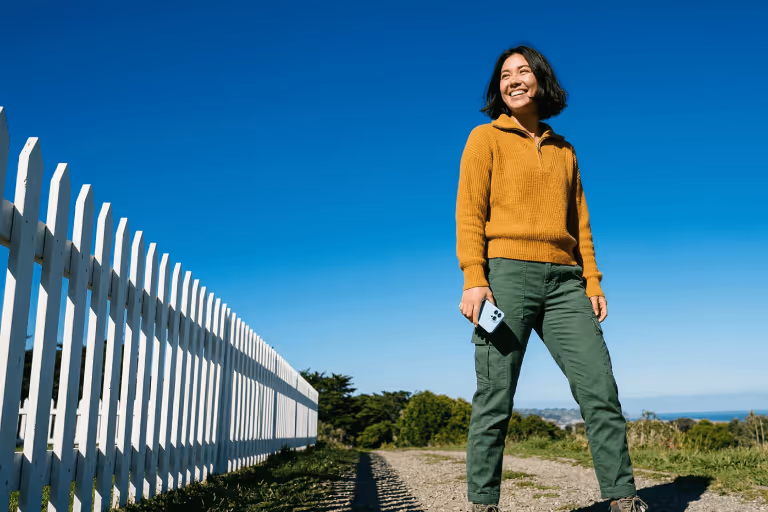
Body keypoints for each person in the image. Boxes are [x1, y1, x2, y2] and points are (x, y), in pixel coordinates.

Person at [455, 46, 649, 512]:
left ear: (541, 81)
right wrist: (474, 278)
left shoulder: (565, 150)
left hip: (566, 284)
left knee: (599, 389)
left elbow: (580, 223)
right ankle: (483, 503)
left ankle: (622, 497)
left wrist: (594, 281)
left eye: (523, 71)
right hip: (504, 279)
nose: (513, 80)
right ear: (498, 87)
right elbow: (469, 214)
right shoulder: (484, 139)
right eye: (505, 74)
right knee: (494, 397)